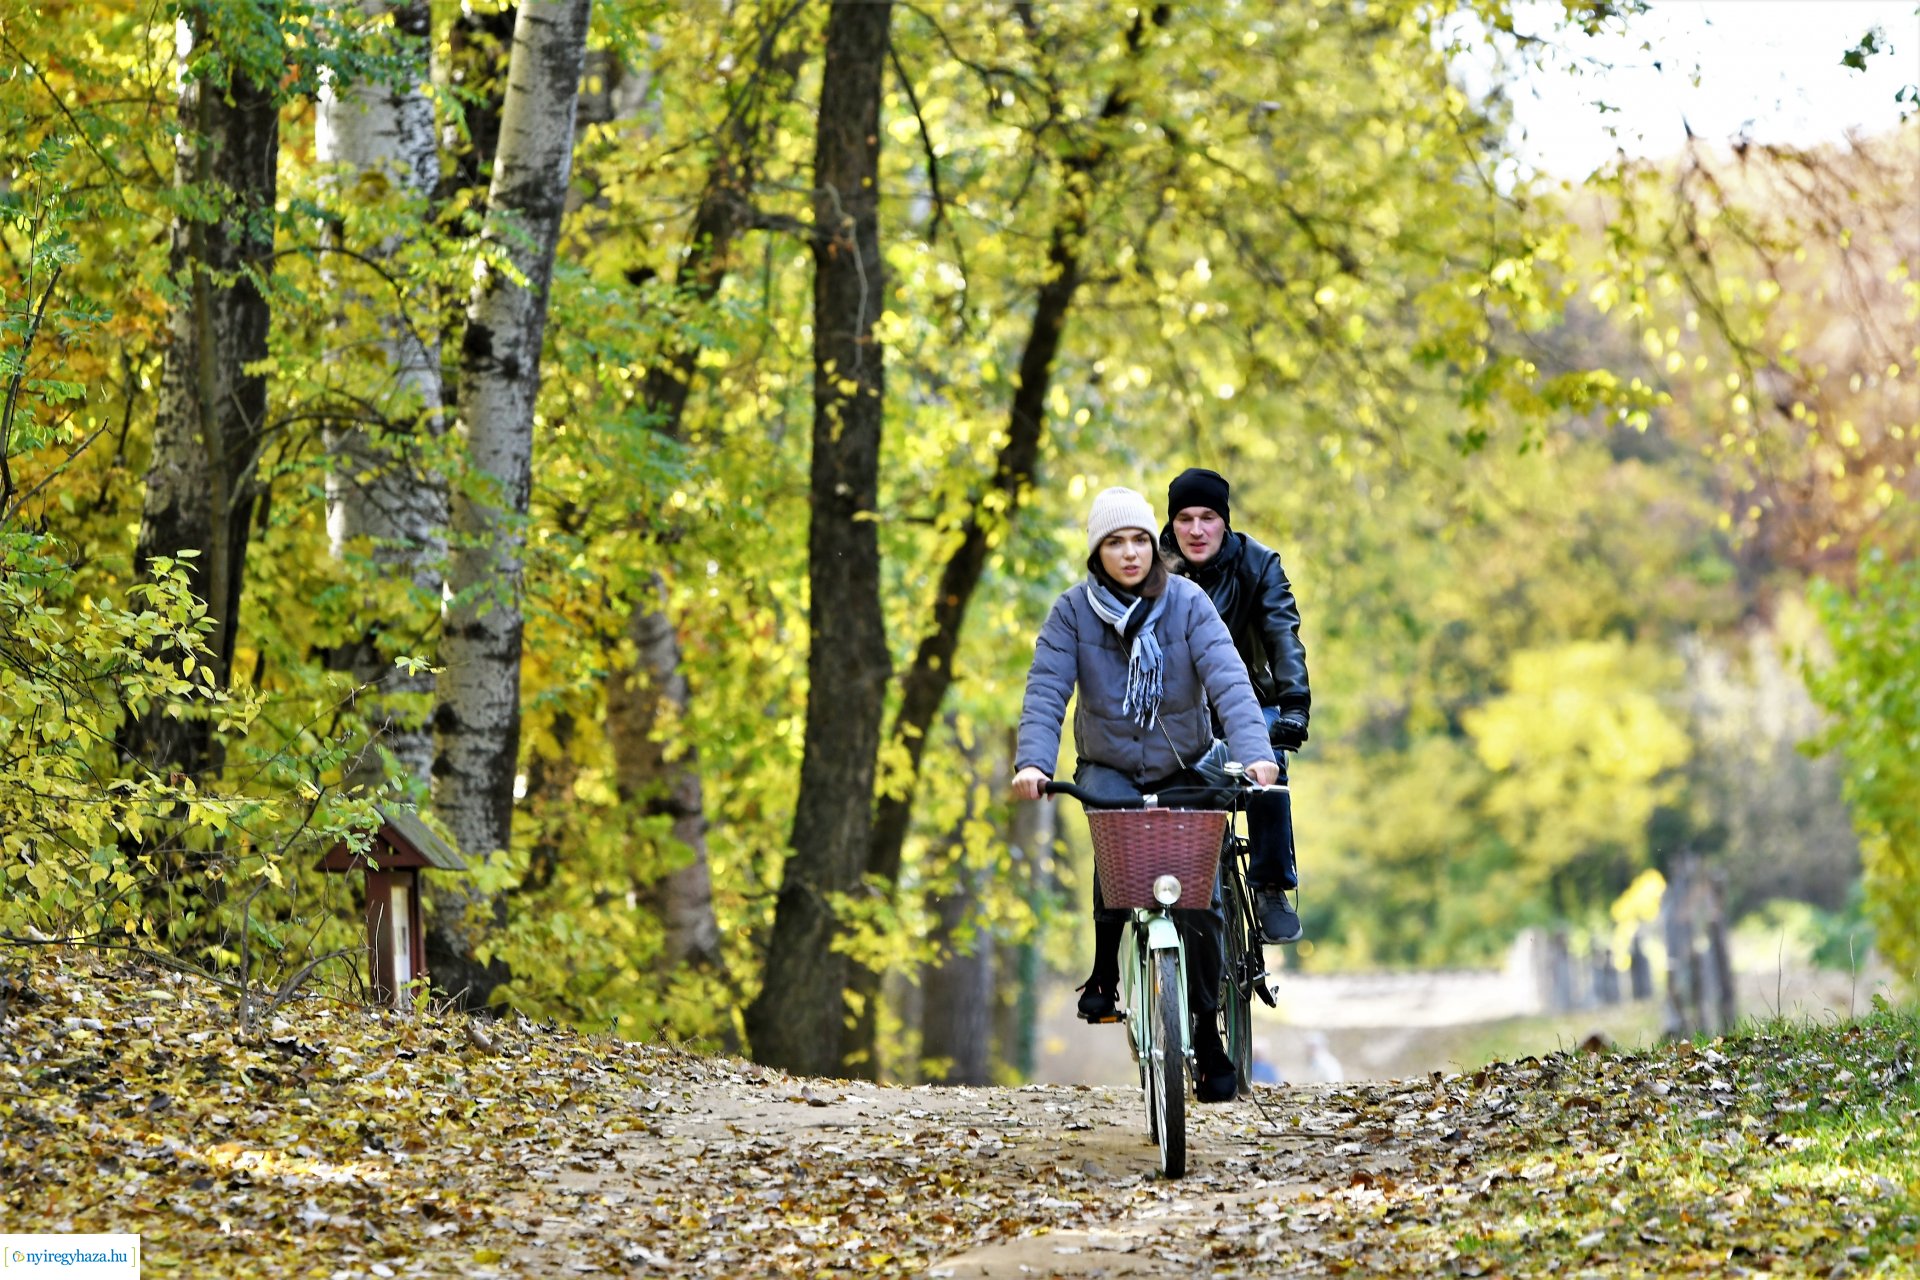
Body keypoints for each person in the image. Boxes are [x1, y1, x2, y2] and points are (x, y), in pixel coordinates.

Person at [1011, 486, 1279, 1104]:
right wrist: (1033, 763)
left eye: (1137, 540)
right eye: (1114, 543)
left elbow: (1228, 678)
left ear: (1151, 547)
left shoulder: (1187, 604)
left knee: (1201, 901)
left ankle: (1207, 1040)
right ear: (1096, 553)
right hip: (1109, 764)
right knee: (1112, 829)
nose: (1129, 553)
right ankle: (1105, 969)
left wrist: (1256, 752)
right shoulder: (1072, 613)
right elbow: (1047, 688)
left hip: (1185, 762)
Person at [1160, 466, 1311, 945]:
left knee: (1270, 755)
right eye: (1185, 518)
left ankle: (1269, 886)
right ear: (1172, 523)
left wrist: (1294, 705)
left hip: (1248, 703)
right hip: (1175, 713)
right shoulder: (1151, 566)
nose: (1197, 529)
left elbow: (1282, 635)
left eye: (1208, 517)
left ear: (1225, 521)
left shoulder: (1258, 564)